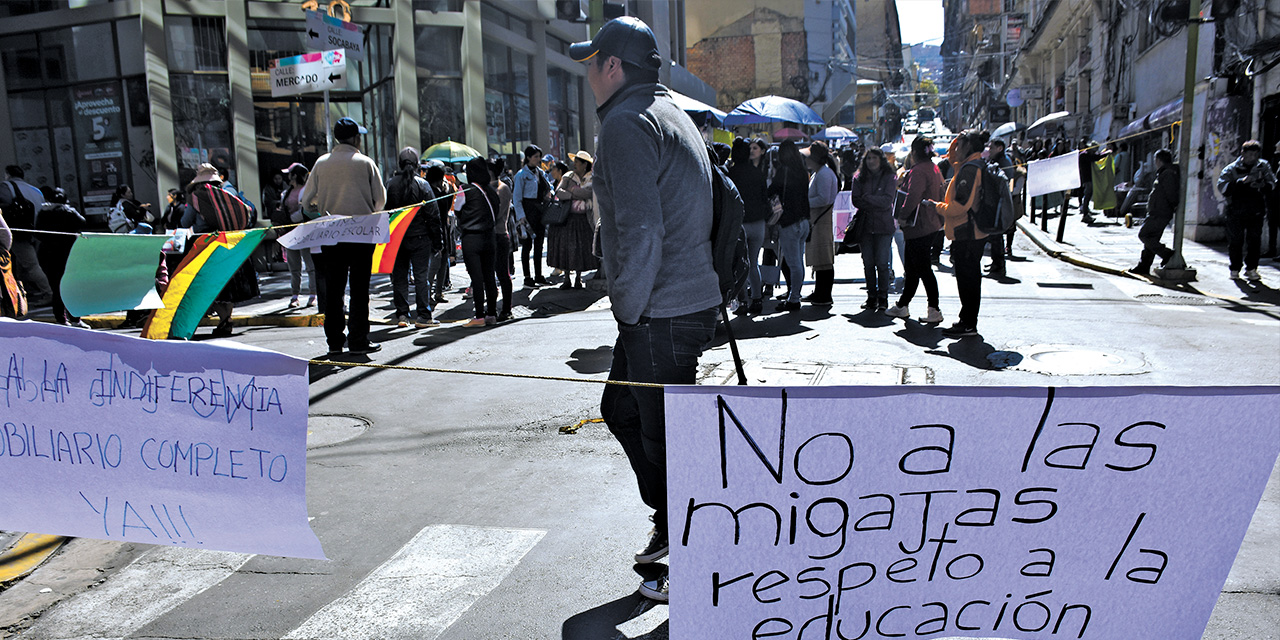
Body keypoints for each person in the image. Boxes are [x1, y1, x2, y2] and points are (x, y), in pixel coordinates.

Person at [570, 15, 721, 603]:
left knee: (664, 438)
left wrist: (627, 311)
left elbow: (640, 231)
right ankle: (669, 525)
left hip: (661, 311)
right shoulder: (669, 113)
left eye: (592, 64)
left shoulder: (629, 124)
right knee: (622, 409)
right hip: (682, 303)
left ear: (613, 67)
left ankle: (685, 561)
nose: (588, 76)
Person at [300, 117, 387, 357]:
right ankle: (358, 340)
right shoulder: (365, 163)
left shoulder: (321, 163)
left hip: (331, 234)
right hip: (361, 234)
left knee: (334, 289)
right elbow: (380, 201)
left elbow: (306, 202)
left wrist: (322, 206)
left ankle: (334, 342)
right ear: (356, 138)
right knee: (360, 290)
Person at [924, 130, 988, 338]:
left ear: (968, 147)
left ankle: (968, 323)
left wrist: (937, 207)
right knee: (967, 278)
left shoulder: (970, 170)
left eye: (958, 145)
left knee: (968, 280)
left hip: (968, 234)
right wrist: (959, 142)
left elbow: (959, 207)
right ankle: (967, 321)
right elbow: (952, 158)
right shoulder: (969, 166)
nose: (955, 149)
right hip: (967, 233)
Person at [180, 163, 255, 337]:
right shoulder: (227, 195)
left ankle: (224, 320)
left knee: (210, 287)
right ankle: (226, 320)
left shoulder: (196, 198)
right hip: (229, 246)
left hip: (207, 247)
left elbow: (185, 222)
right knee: (226, 286)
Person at [886, 136, 945, 323]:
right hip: (931, 223)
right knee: (913, 267)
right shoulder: (934, 168)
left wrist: (902, 215)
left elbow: (912, 197)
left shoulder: (918, 171)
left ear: (914, 152)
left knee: (922, 268)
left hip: (919, 225)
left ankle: (934, 308)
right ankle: (903, 305)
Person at [385, 147, 443, 328]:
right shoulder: (423, 185)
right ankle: (424, 315)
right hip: (420, 238)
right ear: (418, 164)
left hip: (397, 238)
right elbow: (433, 216)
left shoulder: (390, 184)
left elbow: (384, 212)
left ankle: (402, 315)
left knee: (400, 277)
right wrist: (437, 241)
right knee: (421, 277)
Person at [1217, 140, 1276, 282]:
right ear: (1243, 153)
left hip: (1256, 209)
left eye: (1256, 155)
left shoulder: (1263, 166)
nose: (1253, 158)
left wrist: (1262, 184)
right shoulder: (1231, 169)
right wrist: (1241, 182)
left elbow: (1272, 183)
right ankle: (1235, 268)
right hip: (1236, 210)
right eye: (1250, 154)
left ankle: (1251, 268)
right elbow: (1222, 187)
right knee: (1236, 240)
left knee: (1254, 240)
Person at [848, 146, 897, 311]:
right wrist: (873, 200)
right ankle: (871, 297)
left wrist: (868, 198)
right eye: (868, 158)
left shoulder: (889, 176)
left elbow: (887, 201)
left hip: (884, 226)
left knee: (882, 263)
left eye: (874, 158)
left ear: (880, 160)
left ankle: (883, 297)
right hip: (865, 226)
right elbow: (856, 200)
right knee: (868, 263)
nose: (871, 161)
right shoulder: (859, 178)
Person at [453, 157, 500, 326]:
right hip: (490, 237)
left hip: (471, 238)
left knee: (477, 277)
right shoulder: (492, 191)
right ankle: (492, 314)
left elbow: (457, 211)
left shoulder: (464, 189)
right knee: (489, 276)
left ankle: (479, 315)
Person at [728, 138, 771, 315]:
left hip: (741, 224)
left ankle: (742, 300)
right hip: (759, 223)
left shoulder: (730, 174)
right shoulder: (757, 173)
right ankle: (757, 298)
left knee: (739, 263)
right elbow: (764, 197)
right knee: (754, 263)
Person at [768, 140, 811, 310]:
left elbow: (771, 191)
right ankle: (795, 295)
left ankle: (794, 299)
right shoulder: (802, 171)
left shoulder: (783, 171)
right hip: (803, 220)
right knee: (797, 262)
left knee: (793, 263)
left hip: (789, 222)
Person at [35, 187, 87, 327]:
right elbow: (82, 222)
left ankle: (61, 319)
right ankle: (75, 319)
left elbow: (37, 233)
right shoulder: (68, 211)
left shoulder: (43, 212)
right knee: (70, 287)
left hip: (47, 255)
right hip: (67, 253)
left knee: (56, 288)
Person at [549, 152, 601, 290]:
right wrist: (576, 193)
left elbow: (589, 193)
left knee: (580, 250)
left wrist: (571, 191)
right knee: (566, 249)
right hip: (568, 218)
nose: (575, 164)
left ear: (585, 164)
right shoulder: (568, 176)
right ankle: (566, 278)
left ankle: (578, 278)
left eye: (578, 162)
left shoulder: (591, 178)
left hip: (584, 218)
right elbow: (559, 191)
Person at [0, 165, 50, 306]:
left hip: (18, 233)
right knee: (23, 266)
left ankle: (49, 293)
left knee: (31, 266)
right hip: (36, 231)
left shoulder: (6, 187)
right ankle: (23, 293)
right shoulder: (35, 190)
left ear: (8, 174)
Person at [278, 163, 321, 309]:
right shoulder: (286, 193)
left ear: (294, 175)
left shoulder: (305, 191)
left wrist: (290, 219)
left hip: (304, 231)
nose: (287, 177)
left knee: (310, 266)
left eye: (289, 174)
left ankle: (313, 294)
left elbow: (304, 210)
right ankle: (295, 295)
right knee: (294, 266)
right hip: (290, 232)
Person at [802, 141, 840, 305]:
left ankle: (824, 294)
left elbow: (824, 198)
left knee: (824, 258)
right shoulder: (821, 172)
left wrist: (804, 202)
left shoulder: (824, 173)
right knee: (820, 258)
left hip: (821, 220)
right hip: (818, 220)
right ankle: (819, 291)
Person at [1131, 149, 1180, 276]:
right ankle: (1144, 266)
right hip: (1157, 211)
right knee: (1150, 241)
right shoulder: (1163, 173)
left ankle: (1166, 253)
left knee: (1144, 235)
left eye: (1155, 160)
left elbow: (1171, 194)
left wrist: (1171, 206)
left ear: (1159, 160)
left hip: (1160, 212)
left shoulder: (1168, 173)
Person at [513, 145, 551, 287]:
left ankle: (539, 275)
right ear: (528, 157)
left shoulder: (540, 173)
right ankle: (527, 277)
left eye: (539, 156)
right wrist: (521, 216)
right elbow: (516, 198)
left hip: (540, 210)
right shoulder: (521, 175)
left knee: (539, 245)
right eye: (535, 156)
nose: (538, 159)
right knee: (527, 245)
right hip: (527, 211)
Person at [425, 163, 457, 303]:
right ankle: (428, 293)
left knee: (444, 261)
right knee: (436, 262)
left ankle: (438, 292)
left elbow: (449, 201)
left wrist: (447, 189)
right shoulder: (429, 191)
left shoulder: (443, 189)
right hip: (434, 229)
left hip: (443, 226)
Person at [489, 158, 515, 321]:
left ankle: (507, 309)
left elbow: (498, 214)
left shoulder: (502, 188)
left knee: (503, 274)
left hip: (499, 235)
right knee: (490, 274)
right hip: (489, 236)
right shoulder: (487, 188)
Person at [984, 138, 1015, 277]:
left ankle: (999, 265)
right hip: (994, 203)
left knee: (997, 236)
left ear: (1000, 148)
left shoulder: (1003, 163)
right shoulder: (995, 161)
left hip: (999, 203)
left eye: (992, 148)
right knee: (995, 236)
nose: (989, 150)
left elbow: (1005, 183)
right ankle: (996, 262)